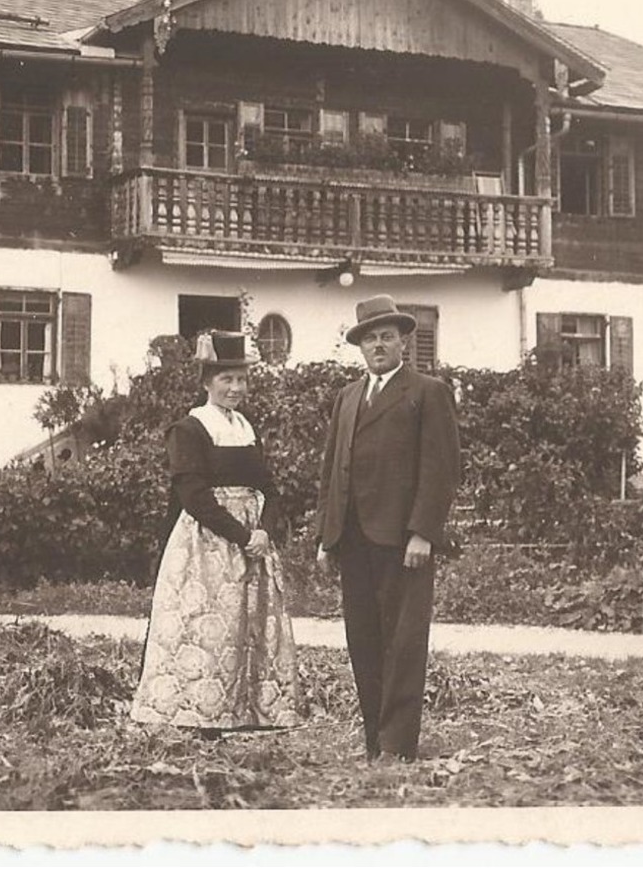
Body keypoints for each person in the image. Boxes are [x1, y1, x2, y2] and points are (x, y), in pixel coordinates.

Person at [130, 330, 302, 733]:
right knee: (207, 626)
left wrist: (263, 531)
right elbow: (193, 495)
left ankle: (250, 710)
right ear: (206, 382)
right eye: (226, 379)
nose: (235, 388)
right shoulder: (189, 429)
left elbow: (271, 489)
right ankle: (199, 713)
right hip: (206, 542)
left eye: (241, 379)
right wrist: (241, 536)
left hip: (253, 545)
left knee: (248, 628)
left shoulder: (246, 428)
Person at [314, 294, 461, 761]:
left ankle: (398, 746)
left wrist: (423, 531)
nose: (378, 346)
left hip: (402, 540)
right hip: (353, 537)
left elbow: (441, 468)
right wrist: (327, 534)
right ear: (360, 347)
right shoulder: (348, 396)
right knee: (364, 640)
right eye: (369, 339)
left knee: (403, 640)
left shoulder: (426, 391)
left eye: (386, 337)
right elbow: (331, 467)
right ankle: (374, 741)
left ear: (403, 342)